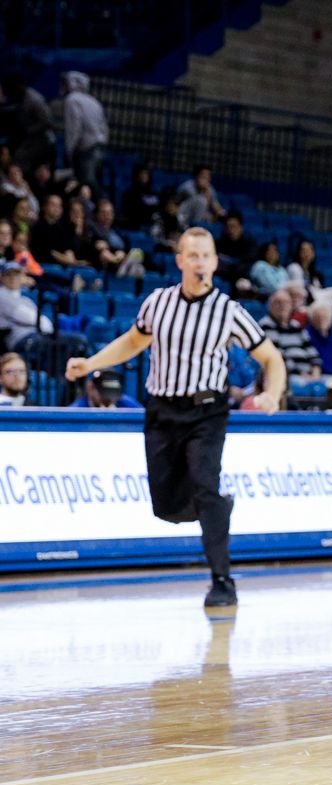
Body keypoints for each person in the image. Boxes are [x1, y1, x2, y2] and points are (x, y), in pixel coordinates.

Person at [65, 227, 286, 607]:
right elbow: (133, 341)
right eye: (193, 255)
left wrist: (272, 393)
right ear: (180, 260)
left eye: (207, 255)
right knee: (166, 507)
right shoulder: (158, 302)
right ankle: (216, 505)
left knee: (204, 486)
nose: (200, 262)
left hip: (207, 412)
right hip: (163, 410)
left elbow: (271, 358)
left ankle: (222, 580)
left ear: (216, 262)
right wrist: (91, 364)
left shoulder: (229, 311)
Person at [61, 72, 108, 194]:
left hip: (85, 149)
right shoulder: (94, 101)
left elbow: (74, 127)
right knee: (95, 180)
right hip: (99, 146)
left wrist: (69, 150)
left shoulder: (72, 100)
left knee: (86, 183)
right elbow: (104, 127)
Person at [69, 368, 141, 408]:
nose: (108, 397)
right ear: (90, 388)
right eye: (103, 390)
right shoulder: (77, 409)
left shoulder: (129, 405)